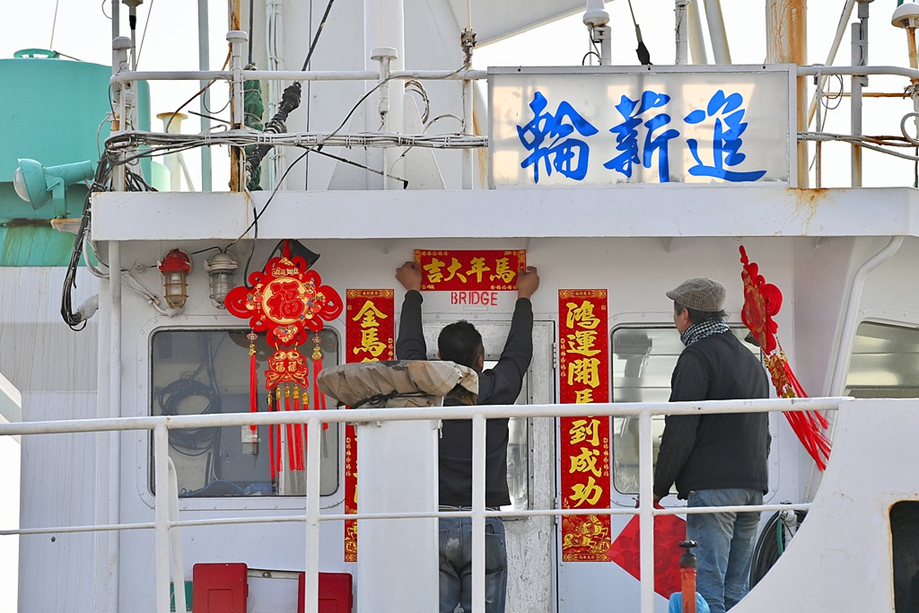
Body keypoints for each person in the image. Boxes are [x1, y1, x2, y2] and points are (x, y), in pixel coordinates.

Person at [395, 260, 539, 613]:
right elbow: (519, 353)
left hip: (436, 520)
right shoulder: (495, 387)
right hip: (483, 521)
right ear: (481, 358)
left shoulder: (425, 388)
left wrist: (413, 292)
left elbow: (408, 351)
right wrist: (523, 296)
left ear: (440, 357)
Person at [652, 277, 770, 613]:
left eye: (675, 315)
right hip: (751, 489)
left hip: (713, 490)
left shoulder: (696, 357)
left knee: (707, 589)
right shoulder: (751, 361)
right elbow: (765, 432)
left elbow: (680, 427)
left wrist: (658, 488)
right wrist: (753, 477)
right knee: (737, 591)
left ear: (685, 315)